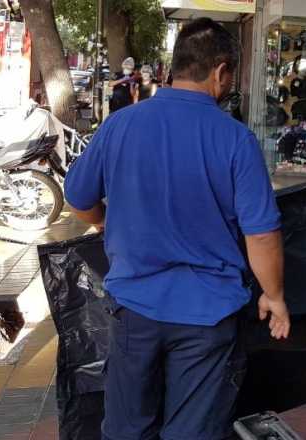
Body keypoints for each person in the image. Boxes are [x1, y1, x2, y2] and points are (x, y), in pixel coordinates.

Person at [64, 18, 291, 439]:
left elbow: (77, 198)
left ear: (176, 66)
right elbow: (261, 234)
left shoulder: (119, 125)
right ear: (220, 71)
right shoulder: (236, 139)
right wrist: (274, 296)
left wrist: (103, 222)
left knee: (128, 429)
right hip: (209, 314)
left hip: (134, 308)